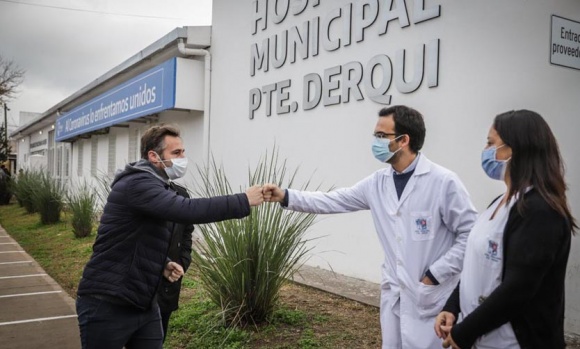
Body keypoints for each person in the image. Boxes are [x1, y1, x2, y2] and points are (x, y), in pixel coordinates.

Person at [263, 105, 478, 349]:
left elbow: (471, 235)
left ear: (403, 140)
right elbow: (332, 200)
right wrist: (285, 196)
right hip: (395, 294)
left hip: (431, 299)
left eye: (380, 136)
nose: (374, 141)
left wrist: (435, 274)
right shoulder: (377, 183)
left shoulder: (443, 182)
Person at [76, 124, 264, 349]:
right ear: (154, 156)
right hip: (108, 302)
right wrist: (242, 200)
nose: (183, 158)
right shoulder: (137, 184)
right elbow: (186, 210)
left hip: (144, 302)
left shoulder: (156, 185)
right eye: (176, 153)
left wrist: (163, 263)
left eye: (183, 152)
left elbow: (133, 238)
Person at [434, 110, 577, 349]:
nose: (486, 150)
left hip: (513, 342)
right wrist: (453, 307)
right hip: (484, 337)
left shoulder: (540, 210)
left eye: (491, 143)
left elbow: (518, 288)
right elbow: (476, 267)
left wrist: (464, 333)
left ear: (515, 149)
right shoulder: (500, 203)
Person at [157, 180, 193, 342]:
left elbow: (186, 233)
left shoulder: (181, 195)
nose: (182, 158)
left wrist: (182, 261)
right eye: (176, 152)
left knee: (158, 337)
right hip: (139, 284)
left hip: (168, 283)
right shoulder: (136, 190)